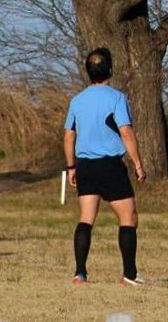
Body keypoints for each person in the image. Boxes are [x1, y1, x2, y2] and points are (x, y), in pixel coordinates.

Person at [63, 48, 146, 286]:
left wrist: (71, 167)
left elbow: (69, 136)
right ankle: (129, 275)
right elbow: (126, 132)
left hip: (85, 166)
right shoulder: (117, 97)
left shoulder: (77, 100)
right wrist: (138, 164)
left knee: (86, 218)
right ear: (110, 69)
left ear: (88, 72)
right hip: (110, 165)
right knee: (128, 218)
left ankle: (80, 273)